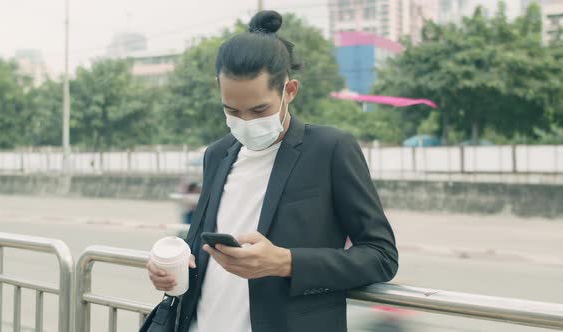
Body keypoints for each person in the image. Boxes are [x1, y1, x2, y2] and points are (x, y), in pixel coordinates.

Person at [146, 10, 398, 332]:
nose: (246, 121)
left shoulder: (331, 150)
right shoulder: (217, 154)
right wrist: (173, 264)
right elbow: (204, 247)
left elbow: (381, 255)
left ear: (289, 91)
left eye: (259, 109)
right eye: (232, 110)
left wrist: (286, 262)